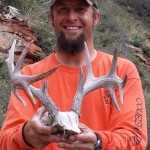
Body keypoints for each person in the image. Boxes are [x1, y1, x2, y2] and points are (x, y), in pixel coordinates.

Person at [0, 0, 147, 149]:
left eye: (80, 10)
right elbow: (5, 142)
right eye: (63, 9)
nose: (71, 17)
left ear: (96, 17)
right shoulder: (28, 77)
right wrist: (26, 137)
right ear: (51, 17)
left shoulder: (121, 71)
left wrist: (99, 142)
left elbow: (135, 140)